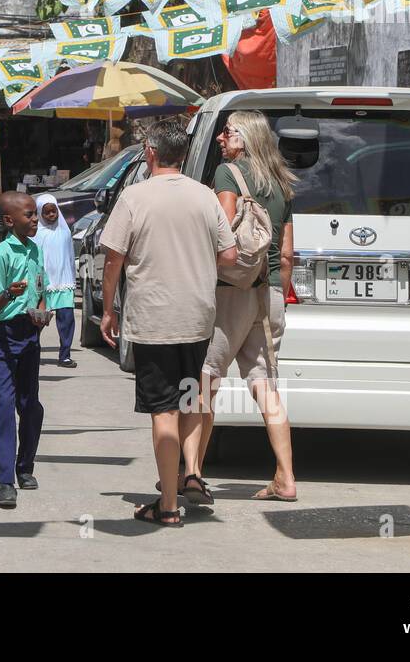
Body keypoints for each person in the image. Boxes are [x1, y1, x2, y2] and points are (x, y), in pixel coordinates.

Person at [99, 124, 237, 528]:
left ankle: (169, 505)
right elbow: (229, 255)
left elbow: (113, 260)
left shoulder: (134, 196)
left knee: (163, 410)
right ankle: (191, 472)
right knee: (190, 397)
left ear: (150, 152)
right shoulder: (204, 195)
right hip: (198, 316)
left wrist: (108, 310)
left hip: (155, 319)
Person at [197, 110, 298, 502]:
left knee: (205, 380)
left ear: (244, 138)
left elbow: (222, 236)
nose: (221, 139)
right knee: (265, 386)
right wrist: (275, 293)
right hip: (269, 293)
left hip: (231, 291)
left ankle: (191, 472)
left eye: (227, 132)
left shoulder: (228, 174)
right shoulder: (283, 184)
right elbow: (287, 255)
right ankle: (286, 478)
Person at [0, 192, 49, 509]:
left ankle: (26, 467)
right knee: (6, 405)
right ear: (9, 221)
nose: (35, 219)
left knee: (30, 404)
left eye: (35, 214)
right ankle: (5, 479)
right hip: (3, 333)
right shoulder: (0, 256)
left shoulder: (35, 250)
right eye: (29, 215)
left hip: (29, 331)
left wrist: (41, 309)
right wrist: (10, 292)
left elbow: (40, 286)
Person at [32, 193, 78, 369]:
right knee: (38, 322)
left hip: (64, 283)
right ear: (40, 213)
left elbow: (70, 256)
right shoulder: (36, 234)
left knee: (66, 320)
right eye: (47, 213)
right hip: (43, 284)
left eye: (54, 211)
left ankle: (65, 355)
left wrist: (72, 279)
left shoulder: (64, 231)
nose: (52, 215)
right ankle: (31, 353)